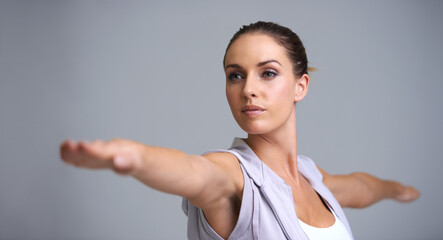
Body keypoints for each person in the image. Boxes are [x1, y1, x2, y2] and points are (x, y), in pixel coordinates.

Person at [60, 21, 419, 239]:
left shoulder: (313, 178)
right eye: (235, 75)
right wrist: (134, 157)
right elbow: (195, 173)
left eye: (268, 73)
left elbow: (361, 187)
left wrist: (396, 190)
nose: (248, 88)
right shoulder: (233, 176)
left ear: (301, 86)